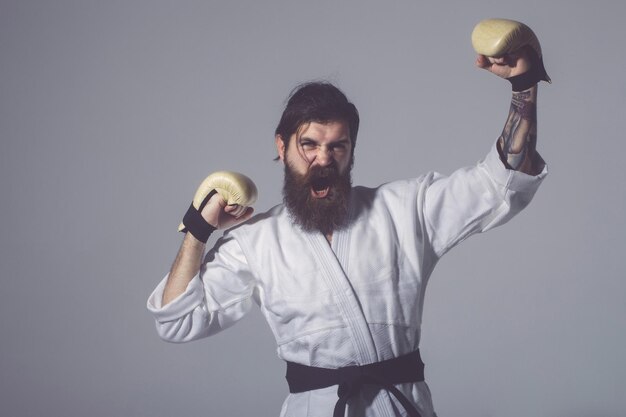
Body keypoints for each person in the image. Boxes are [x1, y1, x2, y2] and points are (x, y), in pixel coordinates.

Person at [147, 35, 548, 417]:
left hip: (399, 406)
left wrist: (524, 85)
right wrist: (199, 229)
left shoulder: (404, 209)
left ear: (351, 151)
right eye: (309, 145)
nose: (323, 160)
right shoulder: (254, 241)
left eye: (337, 146)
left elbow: (499, 183)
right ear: (282, 147)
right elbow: (177, 320)